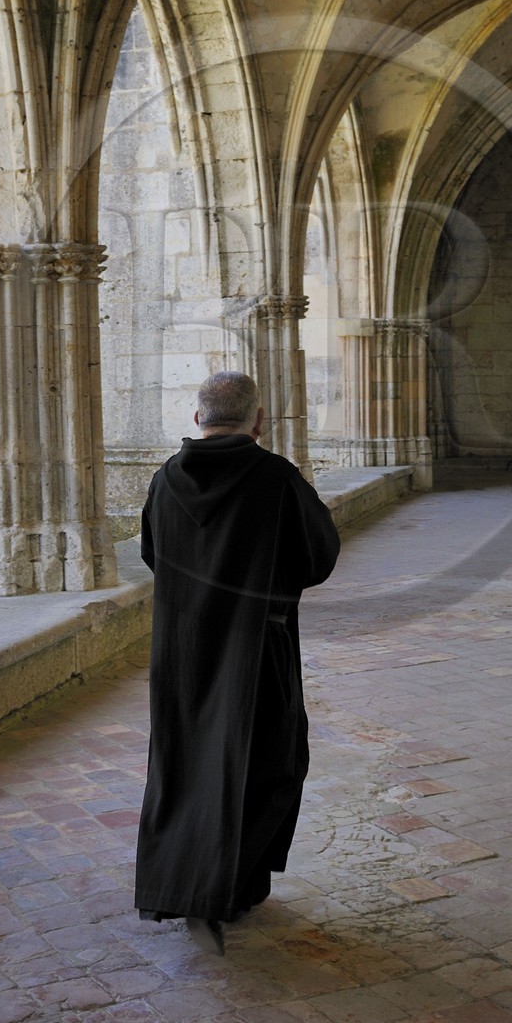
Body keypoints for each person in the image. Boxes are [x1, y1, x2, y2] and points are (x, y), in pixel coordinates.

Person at [134, 369, 341, 953]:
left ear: (198, 418)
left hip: (183, 649)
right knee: (269, 761)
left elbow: (154, 552)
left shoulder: (166, 479)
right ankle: (232, 886)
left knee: (184, 763)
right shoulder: (276, 478)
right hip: (258, 647)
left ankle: (180, 884)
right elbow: (318, 557)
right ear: (259, 420)